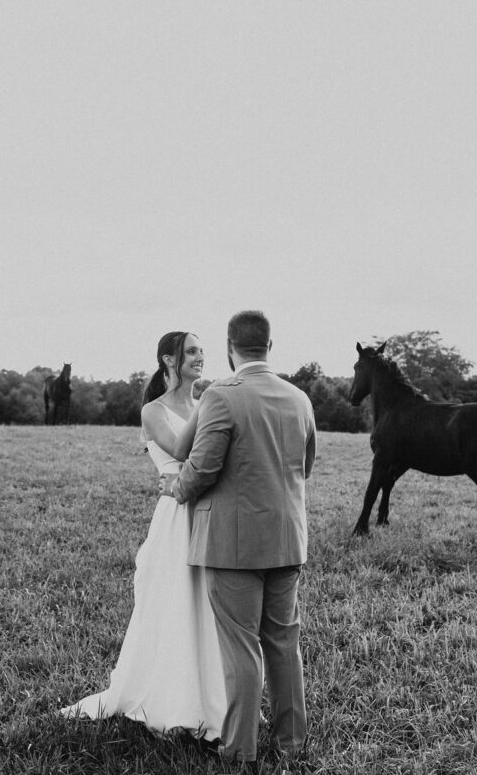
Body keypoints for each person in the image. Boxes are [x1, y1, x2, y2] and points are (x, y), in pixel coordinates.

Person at [162, 310, 317, 769]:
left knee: (241, 646)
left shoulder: (221, 396)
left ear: (231, 349)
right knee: (284, 642)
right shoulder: (299, 398)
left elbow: (203, 467)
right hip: (288, 540)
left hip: (232, 546)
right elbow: (304, 466)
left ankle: (239, 751)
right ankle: (292, 743)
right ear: (270, 346)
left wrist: (177, 489)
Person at [60, 331, 226, 741]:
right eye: (191, 351)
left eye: (201, 350)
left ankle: (213, 698)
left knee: (208, 603)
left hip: (208, 511)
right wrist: (208, 408)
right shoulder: (154, 410)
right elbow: (182, 451)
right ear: (168, 361)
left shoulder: (206, 402)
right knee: (173, 600)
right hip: (175, 515)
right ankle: (171, 699)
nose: (199, 356)